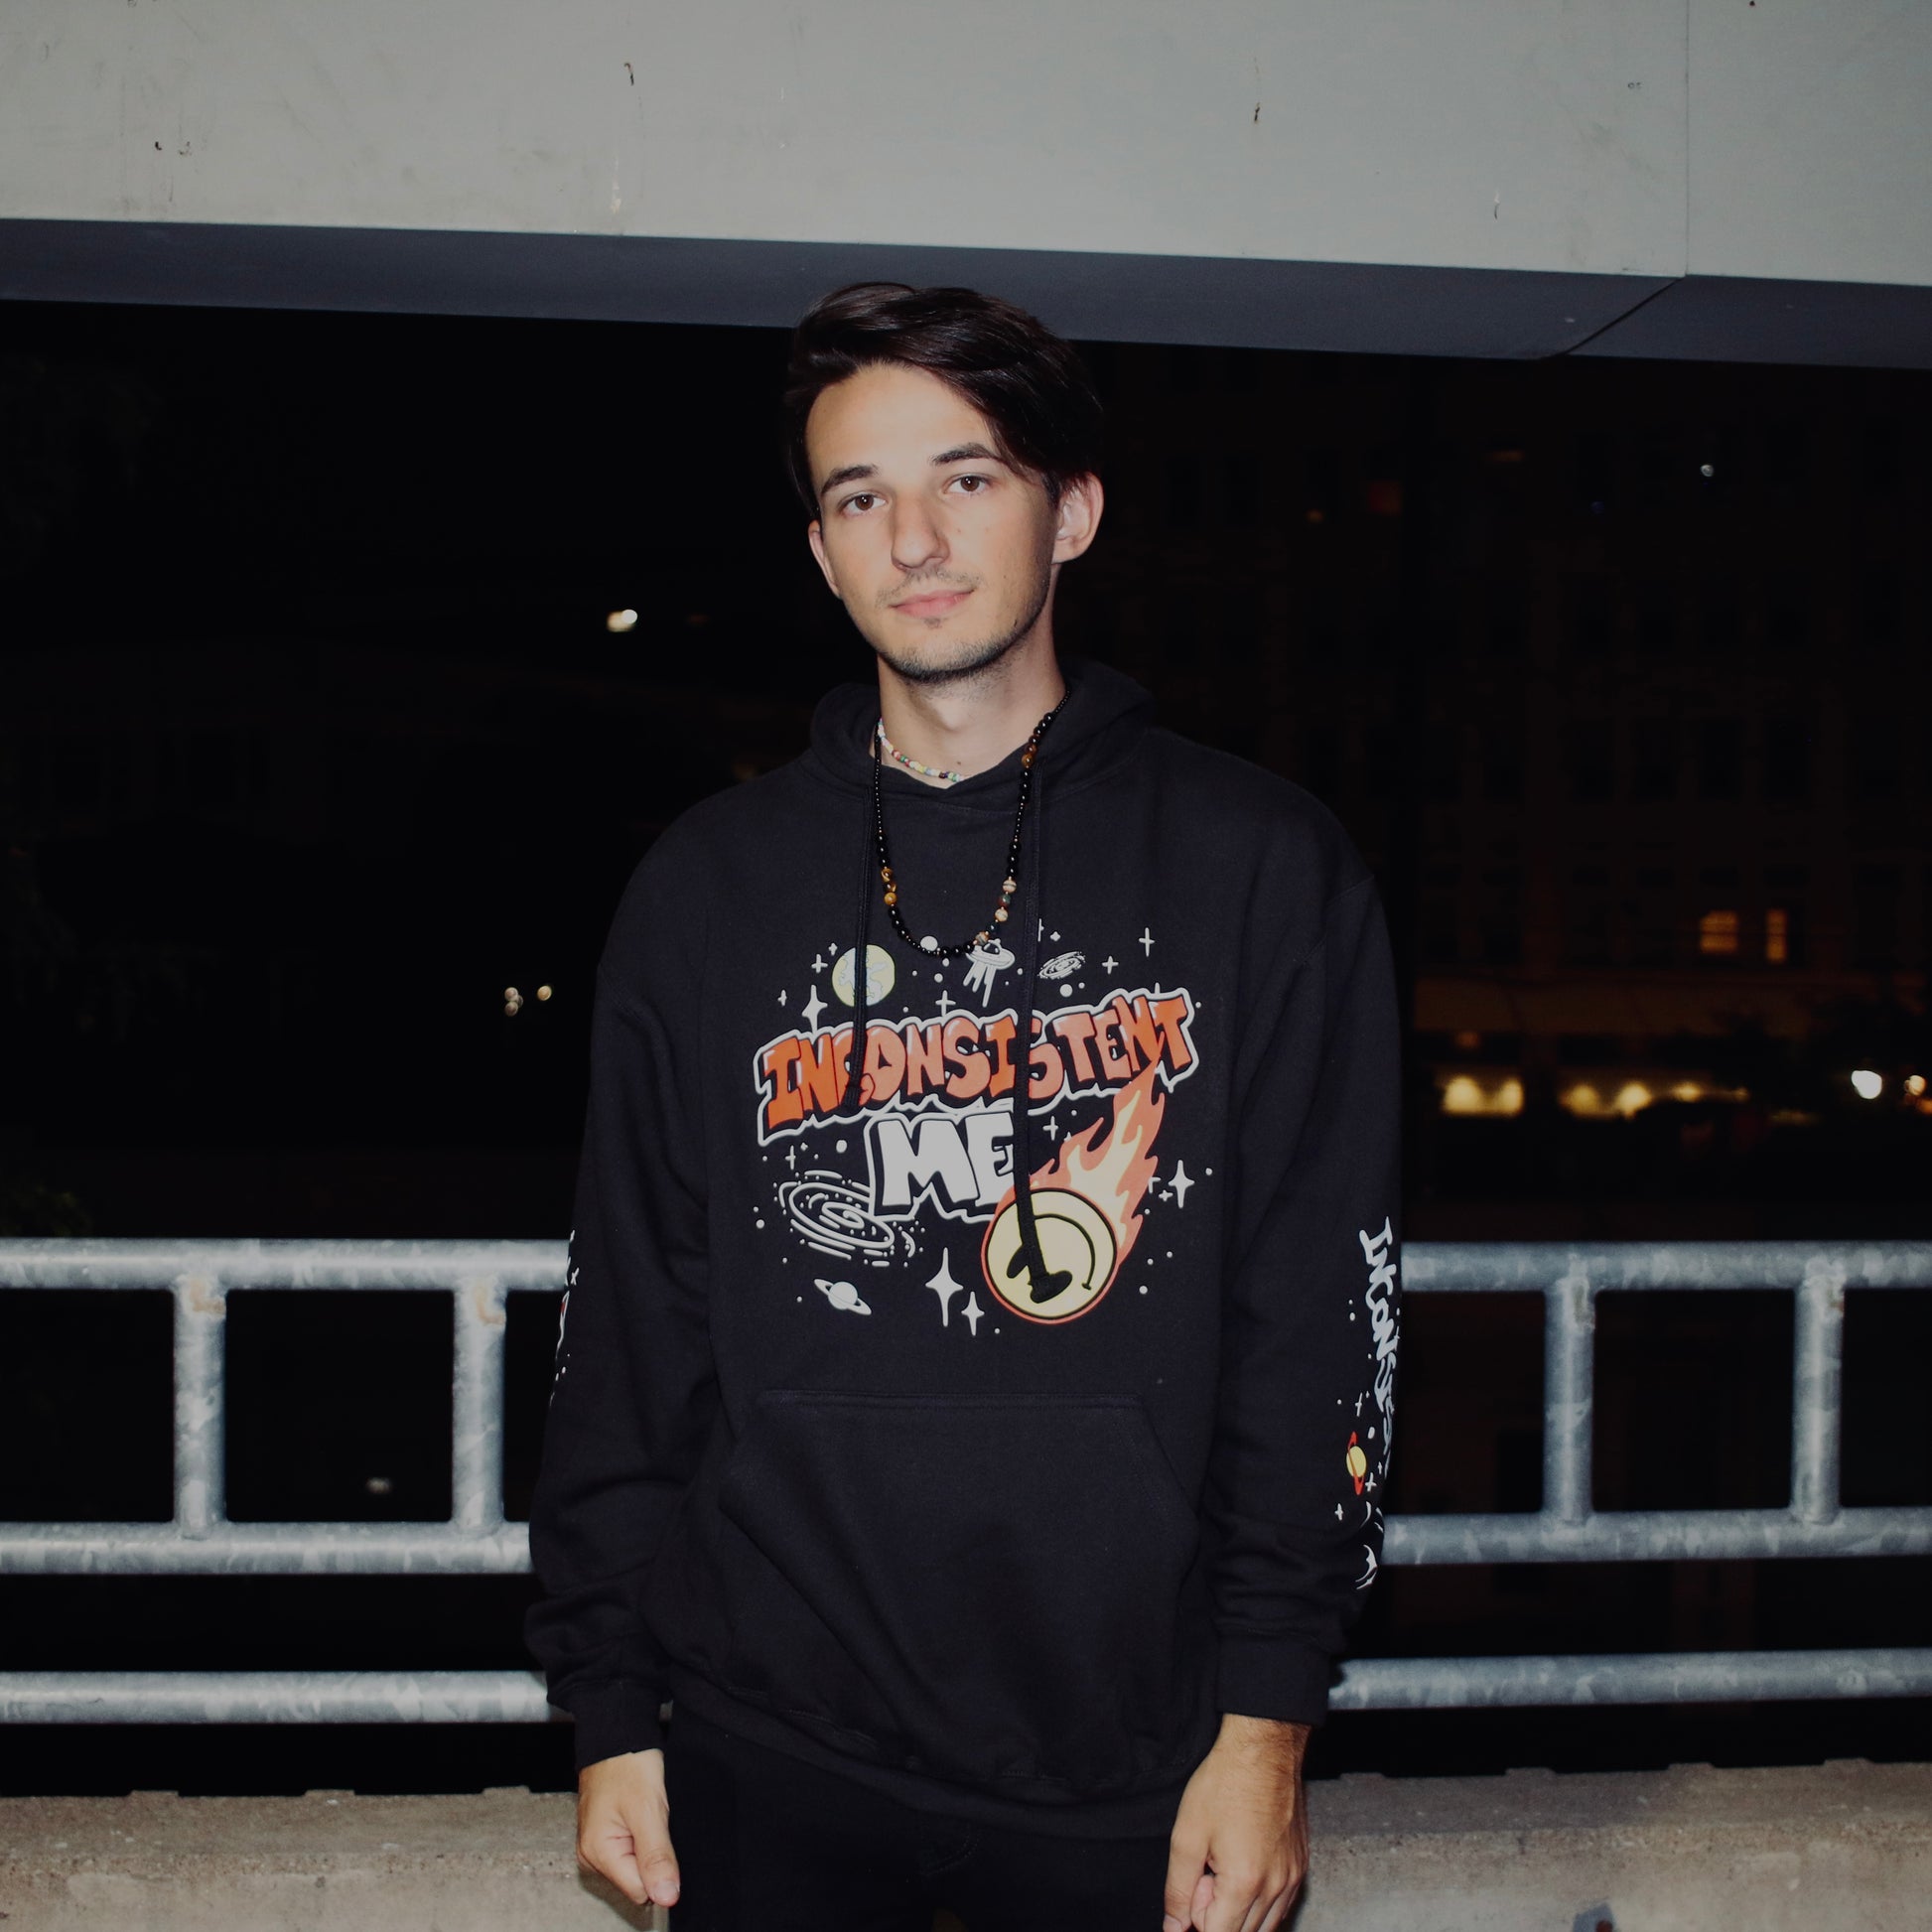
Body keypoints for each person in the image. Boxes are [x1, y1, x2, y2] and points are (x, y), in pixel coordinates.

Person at [524, 282, 1403, 1932]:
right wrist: (610, 1703)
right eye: (860, 496)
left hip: (1134, 1766)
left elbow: (1314, 1317)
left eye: (968, 477)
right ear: (819, 549)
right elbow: (634, 1311)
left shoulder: (1261, 870)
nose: (912, 537)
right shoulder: (707, 889)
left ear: (1071, 510)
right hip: (759, 1740)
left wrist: (1267, 1720)